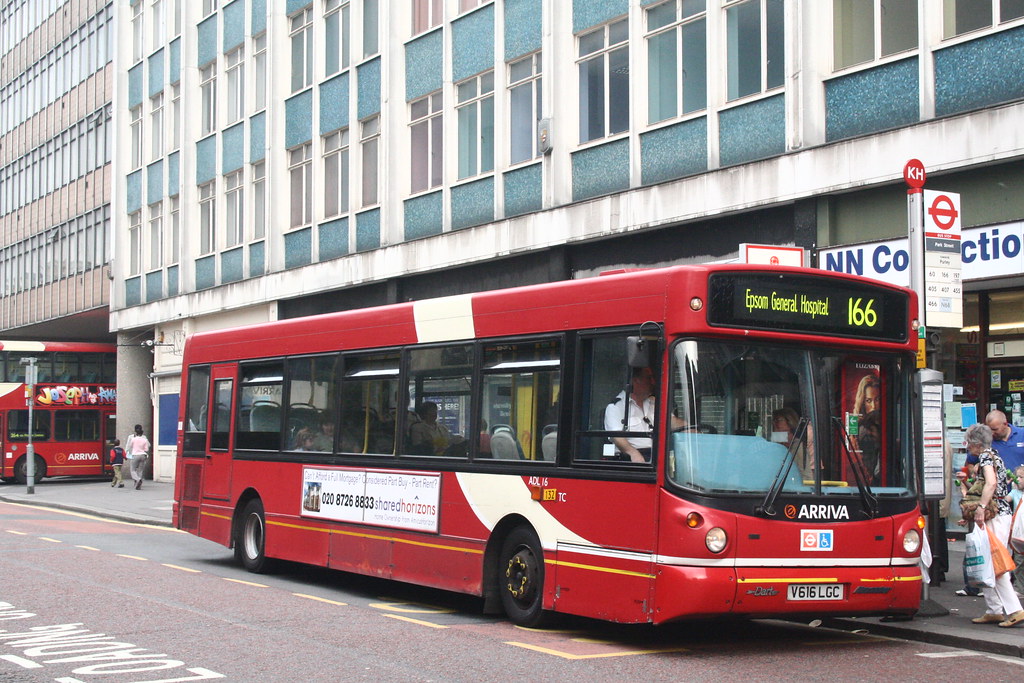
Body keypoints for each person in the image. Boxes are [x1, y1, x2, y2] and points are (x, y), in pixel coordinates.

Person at [964, 422, 1024, 627]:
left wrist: (980, 507)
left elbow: (990, 483)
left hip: (994, 513)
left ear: (975, 443)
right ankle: (994, 609)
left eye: (968, 442)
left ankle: (1015, 609)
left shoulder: (985, 457)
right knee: (989, 560)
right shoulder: (995, 454)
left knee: (995, 561)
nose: (967, 446)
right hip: (1001, 512)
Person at [953, 453, 984, 596]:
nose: (973, 468)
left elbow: (973, 495)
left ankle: (976, 587)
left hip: (982, 521)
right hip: (976, 519)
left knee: (974, 555)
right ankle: (973, 586)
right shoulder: (979, 480)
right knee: (972, 554)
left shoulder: (984, 481)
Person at [771, 408, 815, 480]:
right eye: (774, 420)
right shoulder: (776, 445)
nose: (775, 423)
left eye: (779, 420)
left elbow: (806, 476)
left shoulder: (798, 447)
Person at [125, 424, 151, 491]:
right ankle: (138, 483)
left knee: (133, 470)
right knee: (140, 470)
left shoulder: (132, 438)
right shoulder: (144, 438)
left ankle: (137, 480)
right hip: (143, 455)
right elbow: (147, 447)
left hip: (134, 455)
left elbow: (128, 445)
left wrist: (126, 453)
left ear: (135, 430)